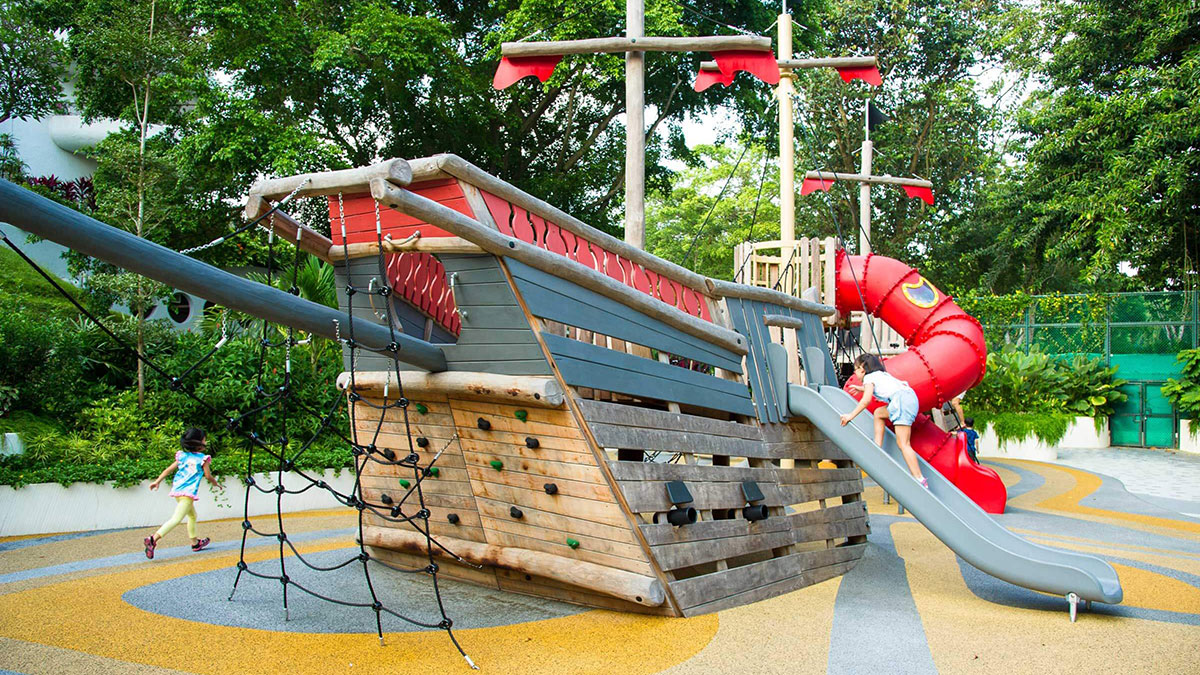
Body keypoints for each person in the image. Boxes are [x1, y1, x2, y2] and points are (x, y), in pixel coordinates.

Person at [839, 354, 928, 489]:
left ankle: (919, 479)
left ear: (863, 369)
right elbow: (880, 388)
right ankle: (877, 446)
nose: (855, 373)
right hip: (908, 397)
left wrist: (850, 415)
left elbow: (866, 400)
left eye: (855, 369)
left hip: (900, 401)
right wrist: (860, 388)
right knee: (879, 413)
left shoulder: (869, 378)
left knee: (903, 443)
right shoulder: (880, 375)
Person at [143, 428, 220, 559]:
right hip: (188, 494)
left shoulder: (182, 456)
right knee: (176, 519)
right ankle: (153, 539)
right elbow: (208, 475)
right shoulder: (203, 459)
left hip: (178, 492)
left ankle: (195, 543)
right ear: (199, 443)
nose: (205, 441)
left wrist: (157, 482)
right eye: (204, 439)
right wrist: (215, 483)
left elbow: (168, 470)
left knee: (192, 515)